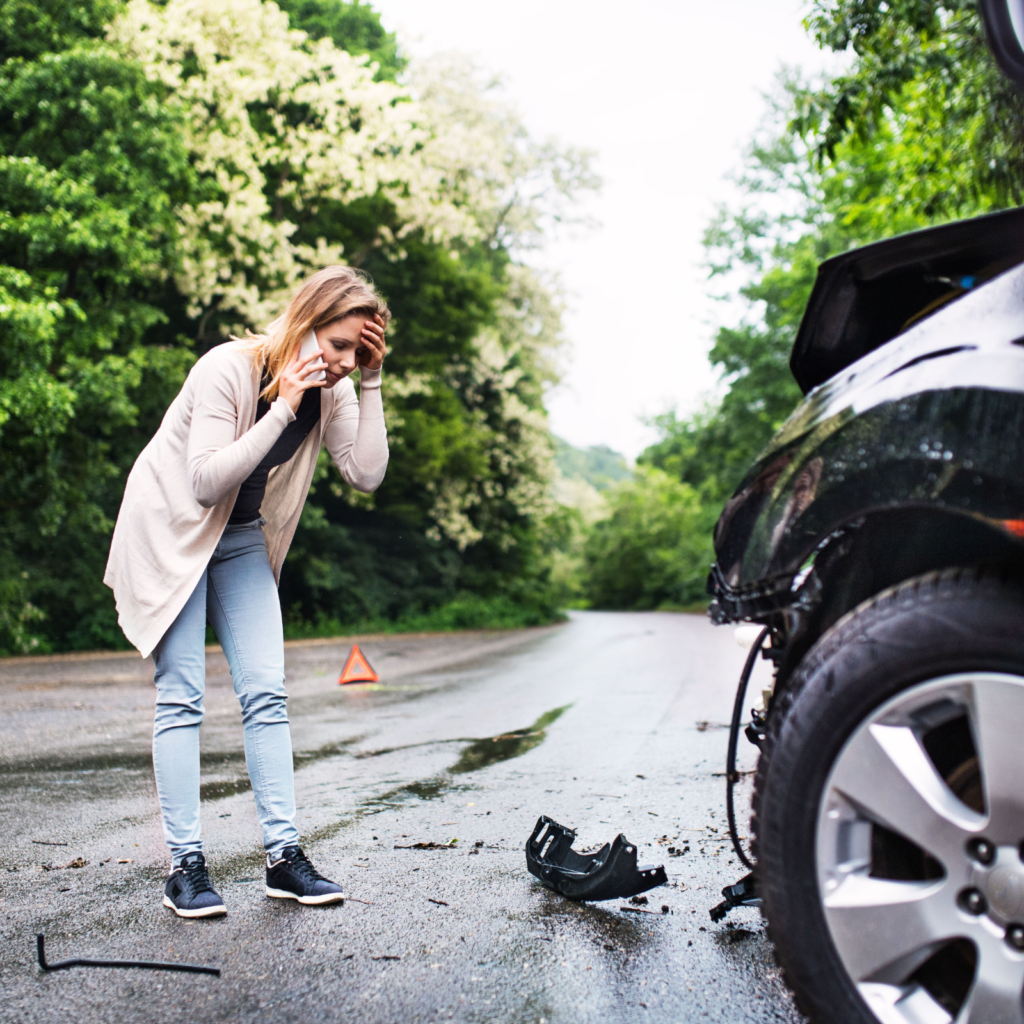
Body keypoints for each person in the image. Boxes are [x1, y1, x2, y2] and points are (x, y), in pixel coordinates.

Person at [104, 266, 389, 918]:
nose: (344, 362)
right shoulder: (228, 368)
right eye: (338, 345)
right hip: (173, 533)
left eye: (358, 350)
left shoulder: (337, 388)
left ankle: (284, 858)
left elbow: (366, 474)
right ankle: (185, 866)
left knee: (266, 689)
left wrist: (370, 381)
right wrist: (285, 405)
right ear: (304, 321)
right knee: (182, 694)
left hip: (237, 540)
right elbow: (204, 480)